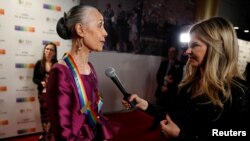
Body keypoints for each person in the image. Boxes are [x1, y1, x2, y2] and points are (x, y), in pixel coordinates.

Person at [122, 17, 249, 140]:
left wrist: (182, 136)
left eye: (195, 45)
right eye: (188, 45)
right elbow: (172, 116)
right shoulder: (190, 84)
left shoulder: (240, 92)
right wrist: (143, 104)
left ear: (216, 49)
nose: (187, 51)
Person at [47, 5, 119, 141]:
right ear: (80, 29)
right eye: (100, 25)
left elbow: (95, 111)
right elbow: (64, 136)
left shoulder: (90, 68)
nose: (105, 33)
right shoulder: (60, 73)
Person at [33, 42, 58, 141]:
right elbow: (34, 79)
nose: (48, 51)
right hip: (42, 95)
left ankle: (51, 135)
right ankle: (45, 134)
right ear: (44, 50)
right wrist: (41, 82)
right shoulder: (39, 63)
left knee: (53, 115)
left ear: (55, 52)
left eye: (51, 49)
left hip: (54, 95)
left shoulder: (57, 65)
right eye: (47, 49)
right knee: (44, 116)